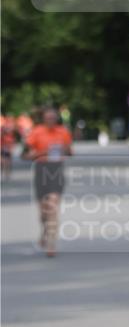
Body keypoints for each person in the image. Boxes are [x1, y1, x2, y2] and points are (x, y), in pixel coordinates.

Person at [24, 107, 73, 257]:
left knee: (52, 207)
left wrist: (65, 151)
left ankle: (51, 244)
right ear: (44, 119)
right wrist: (36, 153)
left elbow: (70, 152)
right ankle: (44, 231)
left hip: (56, 171)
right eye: (48, 118)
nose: (51, 120)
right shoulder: (36, 132)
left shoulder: (63, 132)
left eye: (53, 118)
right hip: (40, 170)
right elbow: (24, 154)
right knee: (43, 213)